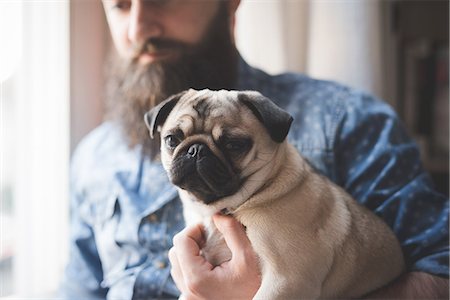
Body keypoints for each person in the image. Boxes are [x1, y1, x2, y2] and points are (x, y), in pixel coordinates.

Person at [61, 0, 449, 299]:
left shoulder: (348, 120)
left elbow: (442, 271)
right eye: (120, 5)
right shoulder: (94, 155)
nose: (139, 26)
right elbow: (78, 290)